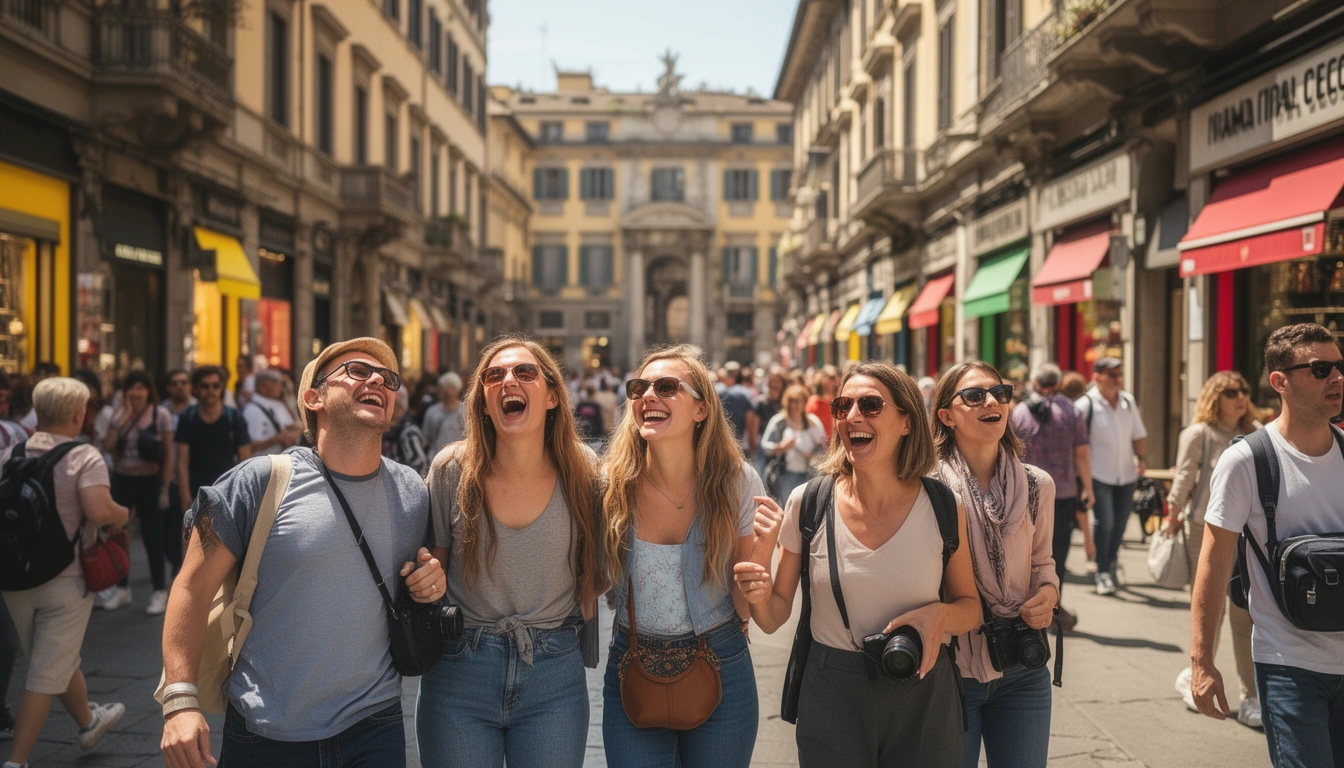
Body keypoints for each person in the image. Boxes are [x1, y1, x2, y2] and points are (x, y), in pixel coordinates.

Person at [160, 338, 446, 768]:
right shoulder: (260, 481)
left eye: (388, 379)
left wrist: (431, 583)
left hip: (376, 723)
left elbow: (421, 579)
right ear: (314, 398)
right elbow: (191, 587)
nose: (378, 382)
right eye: (357, 371)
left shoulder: (413, 491)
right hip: (267, 730)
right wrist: (180, 702)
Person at [735, 362, 980, 767]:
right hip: (832, 690)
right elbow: (773, 616)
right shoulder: (807, 502)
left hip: (923, 689)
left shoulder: (942, 506)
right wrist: (757, 592)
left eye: (870, 405)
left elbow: (970, 606)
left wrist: (939, 616)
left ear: (906, 421)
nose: (852, 417)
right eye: (842, 405)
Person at [418, 337, 603, 768]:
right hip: (459, 670)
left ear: (553, 395)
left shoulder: (586, 472)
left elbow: (601, 569)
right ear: (483, 401)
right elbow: (436, 568)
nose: (508, 381)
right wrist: (424, 578)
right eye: (494, 375)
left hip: (554, 674)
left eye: (525, 373)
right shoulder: (450, 470)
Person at [600, 345, 766, 767]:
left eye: (667, 387)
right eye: (639, 387)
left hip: (722, 664)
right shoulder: (609, 485)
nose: (647, 396)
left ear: (701, 410)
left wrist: (763, 553)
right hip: (632, 665)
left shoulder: (737, 483)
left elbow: (746, 600)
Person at [1192, 323, 1344, 765]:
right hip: (1288, 664)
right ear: (1280, 381)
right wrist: (1202, 661)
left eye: (1339, 366)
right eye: (1319, 369)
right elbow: (1214, 561)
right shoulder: (1248, 461)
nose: (1336, 377)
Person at [932, 362, 1058, 768]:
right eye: (974, 395)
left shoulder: (1037, 485)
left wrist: (1048, 594)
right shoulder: (924, 488)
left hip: (1022, 664)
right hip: (948, 670)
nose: (992, 401)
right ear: (946, 416)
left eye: (1001, 393)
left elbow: (1043, 562)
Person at [2, 377, 130, 767]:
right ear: (79, 414)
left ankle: (89, 721)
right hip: (67, 578)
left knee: (52, 658)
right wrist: (122, 515)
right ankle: (17, 761)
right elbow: (98, 511)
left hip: (14, 578)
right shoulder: (83, 456)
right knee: (45, 670)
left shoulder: (8, 453)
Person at [1167, 371, 1259, 727]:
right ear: (1214, 398)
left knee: (1243, 612)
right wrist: (1171, 517)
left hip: (1248, 535)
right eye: (1231, 392)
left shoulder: (1256, 434)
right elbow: (1184, 478)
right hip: (1202, 530)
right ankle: (1200, 676)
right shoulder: (1198, 434)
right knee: (1210, 609)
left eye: (1244, 390)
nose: (1240, 397)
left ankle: (1249, 694)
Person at [1010, 363, 1095, 630]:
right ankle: (1051, 607)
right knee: (1055, 555)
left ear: (1035, 382)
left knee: (1024, 553)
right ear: (1057, 383)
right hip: (1063, 493)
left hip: (1026, 492)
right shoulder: (1071, 411)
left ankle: (1024, 607)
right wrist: (1088, 488)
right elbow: (1081, 453)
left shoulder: (1020, 412)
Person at [99, 371, 174, 614]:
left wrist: (164, 487)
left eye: (141, 387)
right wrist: (121, 419)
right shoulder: (117, 414)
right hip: (123, 478)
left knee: (153, 536)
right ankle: (121, 588)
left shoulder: (159, 414)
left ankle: (158, 591)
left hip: (150, 480)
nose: (136, 392)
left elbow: (168, 455)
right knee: (118, 534)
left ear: (148, 390)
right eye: (132, 387)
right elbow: (108, 447)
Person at [1076, 358, 1147, 596]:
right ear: (1096, 377)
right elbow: (1077, 446)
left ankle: (1112, 562)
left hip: (1125, 474)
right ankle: (1102, 571)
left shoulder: (1128, 401)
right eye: (1112, 374)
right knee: (1104, 523)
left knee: (1120, 524)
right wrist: (1083, 482)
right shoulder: (1085, 405)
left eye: (1120, 374)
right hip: (1098, 475)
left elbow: (1138, 434)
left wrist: (1141, 458)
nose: (1118, 379)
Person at [175, 366, 253, 514]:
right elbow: (181, 462)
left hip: (228, 493)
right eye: (205, 386)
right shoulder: (188, 418)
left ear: (222, 388)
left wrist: (242, 497)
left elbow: (245, 460)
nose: (210, 390)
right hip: (196, 491)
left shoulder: (234, 418)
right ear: (196, 389)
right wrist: (185, 498)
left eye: (215, 386)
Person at [760, 384, 827, 505]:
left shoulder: (812, 421)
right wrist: (779, 447)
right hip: (785, 475)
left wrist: (814, 455)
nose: (794, 405)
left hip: (808, 475)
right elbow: (765, 445)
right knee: (788, 506)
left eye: (798, 401)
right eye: (791, 401)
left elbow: (824, 445)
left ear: (804, 402)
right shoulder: (779, 421)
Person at [243, 369, 301, 457]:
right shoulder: (251, 410)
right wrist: (276, 440)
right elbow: (247, 446)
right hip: (263, 465)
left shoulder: (279, 405)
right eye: (276, 383)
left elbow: (290, 428)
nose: (280, 387)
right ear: (263, 385)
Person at [383, 387, 429, 477]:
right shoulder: (386, 431)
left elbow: (420, 465)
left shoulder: (409, 432)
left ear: (401, 408)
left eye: (392, 404)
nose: (385, 408)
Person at [720, 361, 759, 456]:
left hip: (720, 444)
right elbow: (750, 422)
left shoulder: (715, 391)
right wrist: (752, 443)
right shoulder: (745, 393)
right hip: (740, 446)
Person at [423, 371, 466, 455]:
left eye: (451, 388)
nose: (447, 392)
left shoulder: (466, 411)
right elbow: (426, 437)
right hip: (436, 458)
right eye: (444, 388)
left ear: (458, 390)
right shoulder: (432, 412)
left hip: (461, 458)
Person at [806, 365, 840, 441]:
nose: (832, 382)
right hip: (817, 443)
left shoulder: (837, 401)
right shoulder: (813, 401)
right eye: (831, 378)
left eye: (834, 379)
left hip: (832, 442)